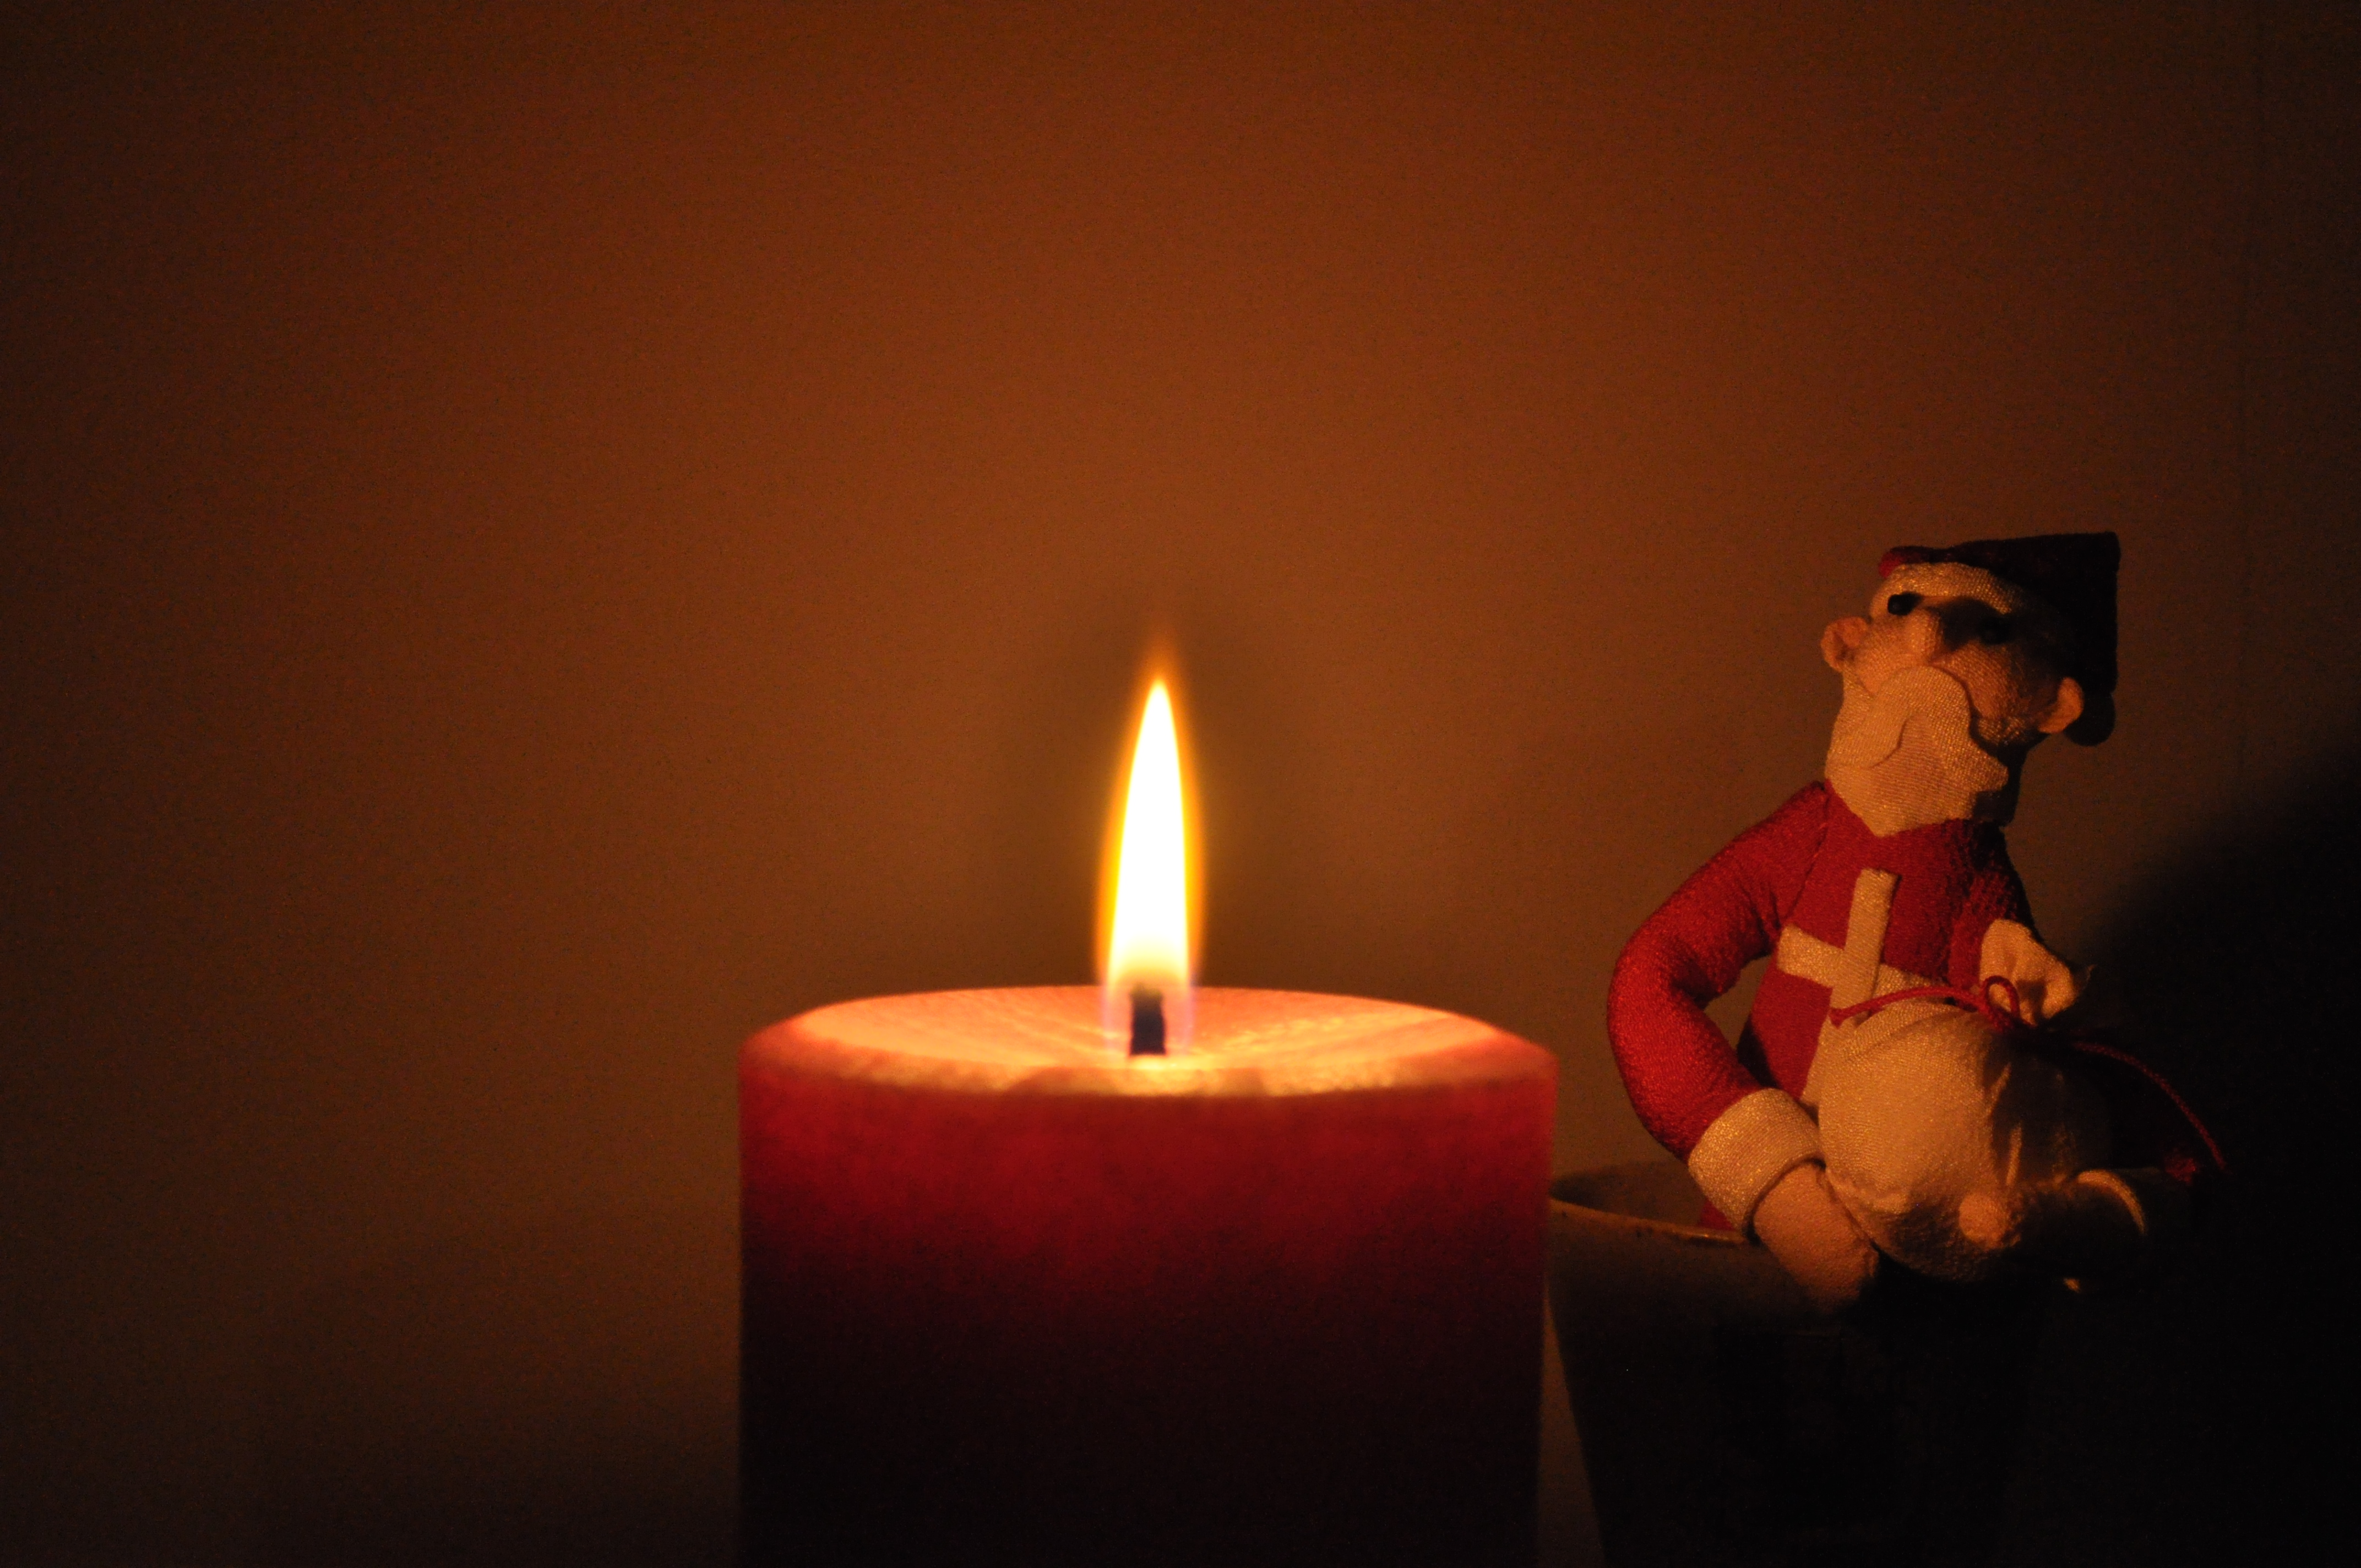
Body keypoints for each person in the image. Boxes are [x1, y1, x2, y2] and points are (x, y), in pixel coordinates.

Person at [1607, 533, 2197, 1310]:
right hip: (1740, 1248)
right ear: (1847, 644)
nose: (1928, 632)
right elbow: (1651, 977)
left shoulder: (1987, 906)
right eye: (1905, 605)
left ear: (2056, 704)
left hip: (1914, 1280)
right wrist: (1764, 1173)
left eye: (1991, 629)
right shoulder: (1803, 843)